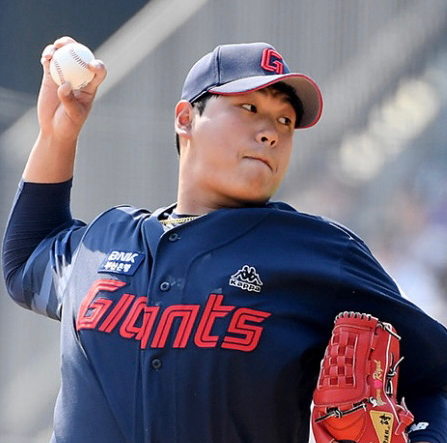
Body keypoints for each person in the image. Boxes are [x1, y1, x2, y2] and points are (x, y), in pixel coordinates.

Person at [2, 36, 447, 443]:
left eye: (286, 120)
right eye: (249, 107)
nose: (271, 132)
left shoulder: (317, 252)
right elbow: (25, 261)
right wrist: (57, 135)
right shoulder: (106, 240)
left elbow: (437, 377)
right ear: (185, 119)